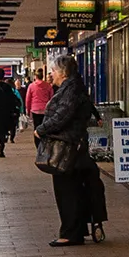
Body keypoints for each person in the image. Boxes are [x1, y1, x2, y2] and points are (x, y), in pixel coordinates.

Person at [36, 55, 99, 246]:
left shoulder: (70, 90)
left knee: (67, 190)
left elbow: (63, 115)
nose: (51, 74)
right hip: (73, 144)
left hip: (68, 147)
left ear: (63, 73)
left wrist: (41, 129)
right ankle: (76, 230)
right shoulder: (73, 87)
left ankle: (70, 233)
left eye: (53, 71)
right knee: (73, 189)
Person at [25, 71, 54, 143]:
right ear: (42, 76)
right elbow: (52, 98)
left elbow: (28, 99)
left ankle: (38, 144)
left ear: (35, 77)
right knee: (45, 127)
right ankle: (44, 142)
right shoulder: (48, 86)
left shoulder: (31, 86)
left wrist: (28, 111)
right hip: (45, 110)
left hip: (35, 110)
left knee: (36, 127)